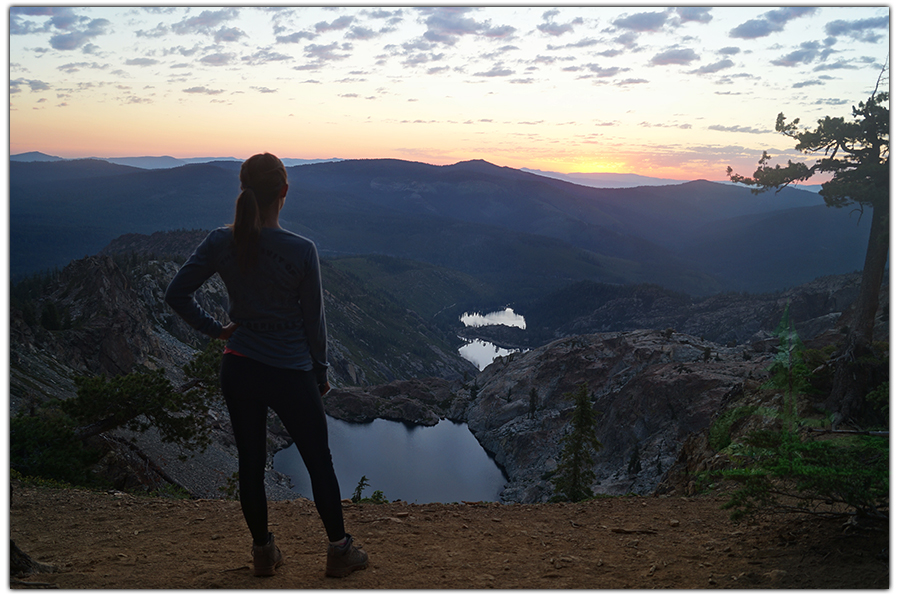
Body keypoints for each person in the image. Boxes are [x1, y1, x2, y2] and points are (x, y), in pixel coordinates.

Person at [164, 152, 368, 578]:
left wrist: (217, 331)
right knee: (319, 462)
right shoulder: (301, 250)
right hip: (291, 371)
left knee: (250, 463)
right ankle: (338, 551)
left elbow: (177, 293)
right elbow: (314, 320)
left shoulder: (221, 241)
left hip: (239, 367)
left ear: (244, 191)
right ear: (284, 193)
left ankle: (263, 553)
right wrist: (321, 371)